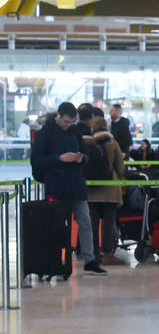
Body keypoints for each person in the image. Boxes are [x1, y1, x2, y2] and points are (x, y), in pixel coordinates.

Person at [31, 103, 106, 276]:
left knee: (85, 222)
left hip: (76, 185)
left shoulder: (75, 132)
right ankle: (56, 260)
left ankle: (89, 260)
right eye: (65, 121)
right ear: (58, 115)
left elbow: (86, 153)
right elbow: (36, 160)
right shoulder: (45, 133)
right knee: (57, 226)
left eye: (71, 122)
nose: (68, 125)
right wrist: (59, 158)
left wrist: (82, 158)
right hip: (56, 186)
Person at [86, 116, 127, 266]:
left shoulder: (86, 143)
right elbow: (121, 168)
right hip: (110, 189)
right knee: (109, 222)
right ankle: (108, 254)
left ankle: (94, 253)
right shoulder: (112, 143)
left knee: (93, 223)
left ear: (93, 128)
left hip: (91, 190)